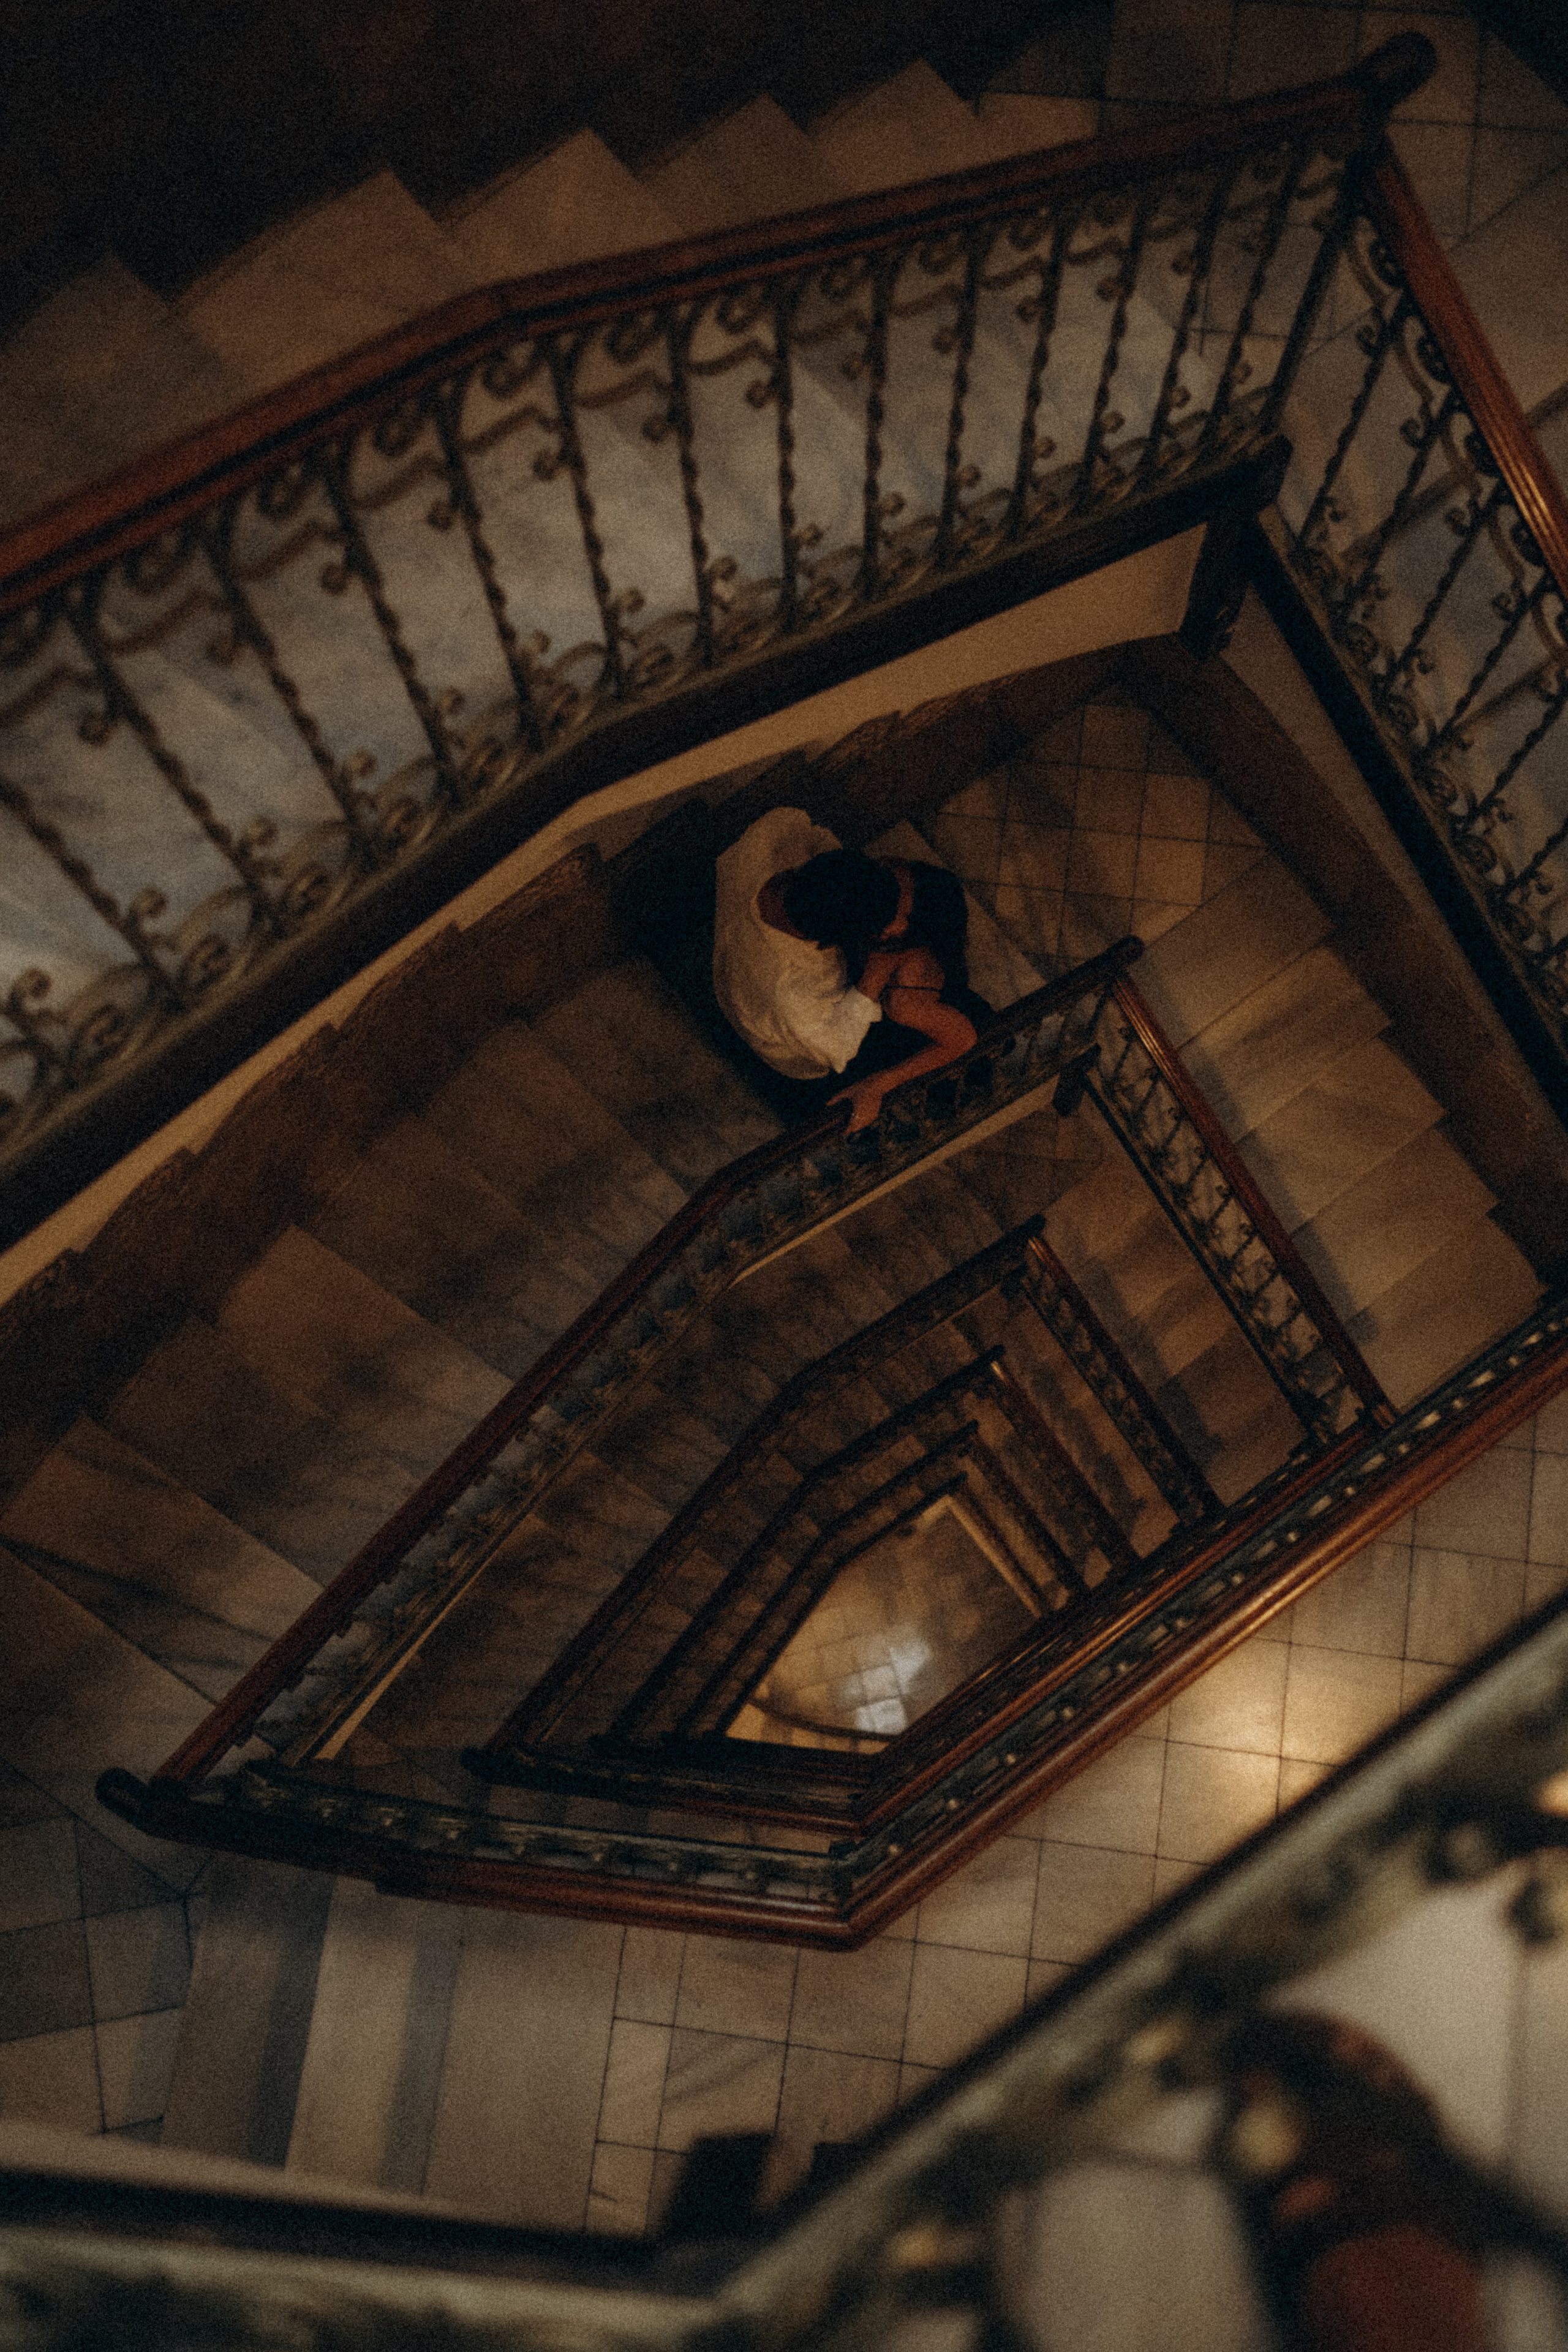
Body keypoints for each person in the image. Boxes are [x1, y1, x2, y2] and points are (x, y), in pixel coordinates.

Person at [712, 808, 989, 1132]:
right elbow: (839, 1050)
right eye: (885, 928)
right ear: (839, 943)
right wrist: (874, 977)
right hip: (803, 1044)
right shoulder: (795, 994)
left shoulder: (771, 837)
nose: (887, 860)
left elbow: (814, 834)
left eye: (890, 869)